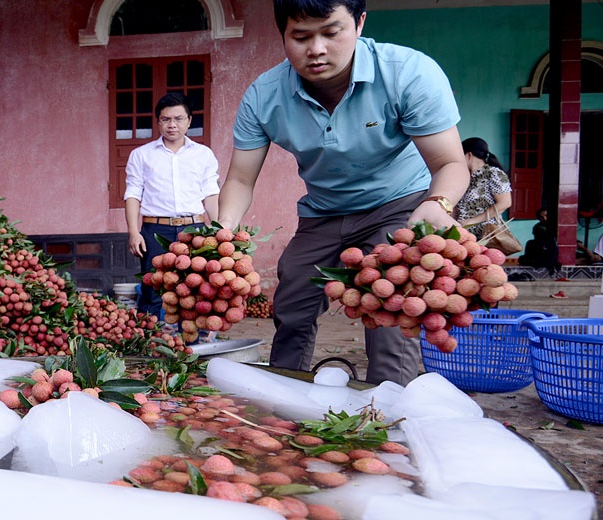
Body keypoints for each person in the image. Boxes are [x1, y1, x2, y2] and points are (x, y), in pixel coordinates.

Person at [216, 0, 469, 386]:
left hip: (399, 206)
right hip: (322, 212)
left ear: (360, 23)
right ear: (282, 34)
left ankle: (386, 416)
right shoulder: (264, 96)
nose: (316, 49)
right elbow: (240, 180)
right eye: (300, 36)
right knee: (292, 305)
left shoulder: (407, 73)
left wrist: (438, 204)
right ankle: (284, 401)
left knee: (388, 309)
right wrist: (226, 229)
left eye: (331, 33)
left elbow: (450, 163)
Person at [124, 92, 220, 317]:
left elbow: (211, 195)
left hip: (194, 230)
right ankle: (153, 343)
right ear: (158, 122)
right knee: (156, 288)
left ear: (189, 121)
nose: (172, 125)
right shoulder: (141, 155)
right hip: (155, 230)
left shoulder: (203, 155)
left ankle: (192, 344)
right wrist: (133, 232)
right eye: (166, 119)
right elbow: (133, 195)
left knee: (195, 289)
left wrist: (218, 231)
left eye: (178, 119)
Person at [453, 137, 513, 239]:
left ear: (469, 155)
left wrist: (472, 221)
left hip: (487, 234)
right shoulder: (464, 177)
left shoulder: (494, 173)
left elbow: (505, 203)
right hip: (463, 235)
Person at [519, 207, 559, 272]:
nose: (545, 219)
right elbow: (539, 241)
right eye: (541, 217)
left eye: (546, 216)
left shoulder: (555, 226)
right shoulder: (538, 227)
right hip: (541, 251)